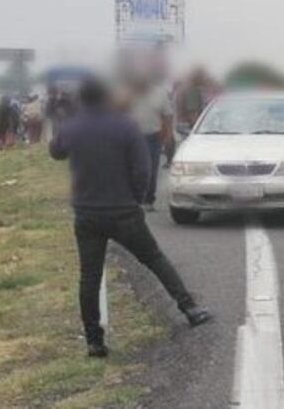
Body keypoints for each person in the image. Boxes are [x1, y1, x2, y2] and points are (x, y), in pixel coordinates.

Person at [49, 78, 211, 358]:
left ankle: (94, 340)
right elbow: (142, 168)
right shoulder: (125, 126)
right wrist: (136, 197)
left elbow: (56, 152)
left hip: (87, 213)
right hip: (123, 210)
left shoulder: (73, 127)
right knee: (154, 259)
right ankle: (189, 308)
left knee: (89, 276)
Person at [129, 76, 174, 211]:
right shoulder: (128, 93)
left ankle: (148, 200)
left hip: (153, 137)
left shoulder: (160, 93)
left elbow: (167, 116)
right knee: (132, 169)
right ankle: (133, 199)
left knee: (151, 170)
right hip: (132, 137)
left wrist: (168, 136)